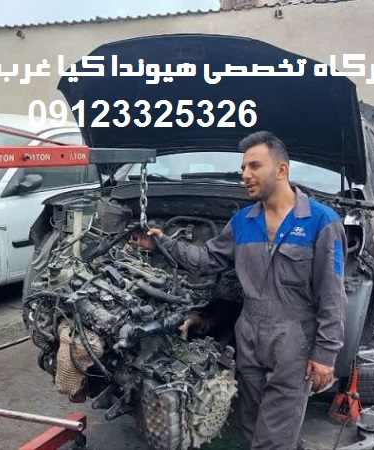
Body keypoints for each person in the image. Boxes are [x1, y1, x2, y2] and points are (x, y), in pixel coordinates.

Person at [134, 131, 347, 450]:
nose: (245, 175)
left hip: (294, 337)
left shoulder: (321, 222)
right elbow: (205, 259)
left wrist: (325, 355)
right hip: (248, 334)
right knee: (249, 423)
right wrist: (162, 243)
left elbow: (332, 294)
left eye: (254, 166)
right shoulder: (243, 221)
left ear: (281, 170)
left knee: (274, 436)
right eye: (243, 168)